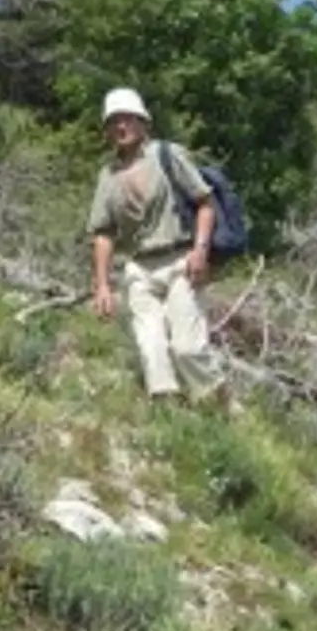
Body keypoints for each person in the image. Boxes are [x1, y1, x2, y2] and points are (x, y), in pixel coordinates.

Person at [84, 87, 229, 404]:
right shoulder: (108, 176)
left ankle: (219, 402)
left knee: (187, 347)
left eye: (127, 119)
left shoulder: (167, 155)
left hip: (180, 259)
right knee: (152, 349)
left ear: (142, 123)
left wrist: (200, 250)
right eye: (114, 121)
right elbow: (103, 233)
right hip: (139, 268)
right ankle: (169, 412)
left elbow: (205, 203)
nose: (121, 127)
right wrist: (102, 286)